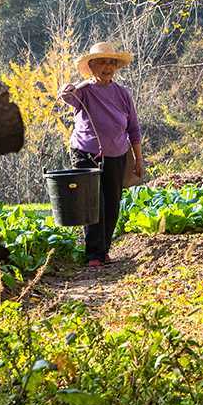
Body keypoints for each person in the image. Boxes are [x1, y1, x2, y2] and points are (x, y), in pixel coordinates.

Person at [58, 41, 144, 268]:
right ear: (92, 66)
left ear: (115, 67)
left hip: (117, 154)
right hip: (86, 154)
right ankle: (93, 254)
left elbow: (133, 128)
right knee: (93, 203)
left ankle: (104, 249)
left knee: (112, 203)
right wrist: (68, 88)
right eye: (102, 62)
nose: (107, 67)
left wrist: (138, 159)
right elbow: (67, 97)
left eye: (111, 63)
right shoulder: (84, 91)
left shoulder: (122, 94)